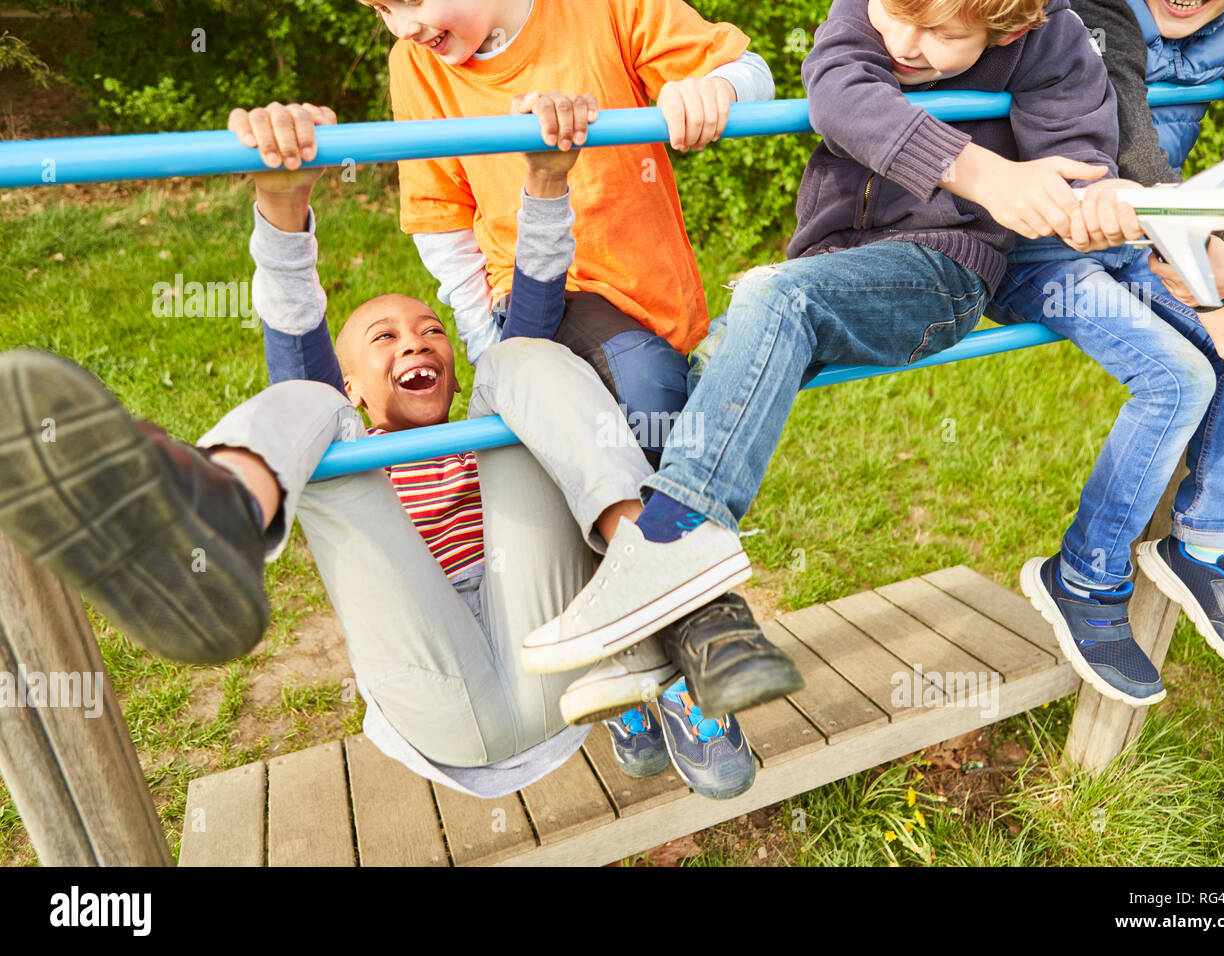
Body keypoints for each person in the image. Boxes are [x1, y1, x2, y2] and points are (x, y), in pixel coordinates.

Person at [0, 99, 757, 801]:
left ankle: (648, 565)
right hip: (442, 698)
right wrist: (283, 204)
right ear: (358, 383)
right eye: (384, 338)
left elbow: (530, 315)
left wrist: (547, 181)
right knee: (311, 411)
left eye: (431, 331)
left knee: (521, 358)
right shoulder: (348, 424)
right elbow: (299, 355)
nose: (417, 342)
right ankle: (218, 514)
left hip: (555, 672)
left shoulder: (487, 425)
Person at [517, 0, 1143, 677]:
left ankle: (673, 545)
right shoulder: (861, 18)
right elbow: (839, 95)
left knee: (773, 296)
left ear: (1010, 29)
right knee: (707, 371)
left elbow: (1076, 157)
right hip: (833, 265)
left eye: (940, 34)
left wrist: (1089, 205)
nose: (902, 42)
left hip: (945, 265)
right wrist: (981, 171)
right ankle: (672, 641)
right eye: (895, 12)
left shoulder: (1051, 39)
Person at [355, 0, 804, 719]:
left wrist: (714, 89)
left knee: (636, 427)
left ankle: (637, 664)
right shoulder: (417, 68)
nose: (402, 26)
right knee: (641, 398)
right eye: (380, 9)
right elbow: (443, 228)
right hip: (532, 296)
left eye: (408, 0)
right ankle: (708, 640)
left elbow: (749, 70)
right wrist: (497, 354)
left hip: (652, 297)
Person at [989, 0, 1224, 705]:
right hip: (1044, 250)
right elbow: (1132, 141)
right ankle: (1083, 578)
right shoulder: (1098, 11)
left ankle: (1207, 545)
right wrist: (1204, 283)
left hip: (1141, 244)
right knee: (1179, 379)